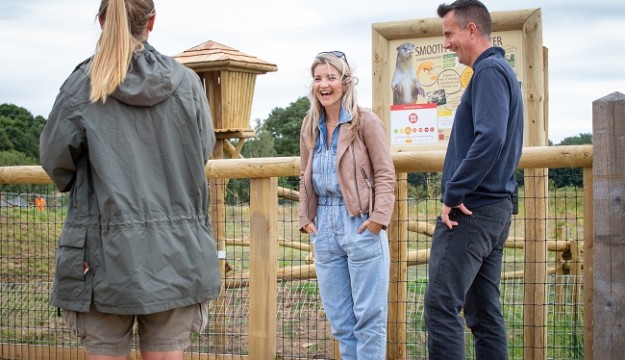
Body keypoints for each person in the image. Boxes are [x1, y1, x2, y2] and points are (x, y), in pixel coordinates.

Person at [39, 0, 221, 359]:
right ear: (151, 21)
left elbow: (55, 160)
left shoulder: (83, 85)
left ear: (103, 20)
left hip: (103, 254)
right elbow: (201, 150)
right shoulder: (186, 83)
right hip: (177, 252)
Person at [423, 1, 524, 359]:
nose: (446, 43)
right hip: (494, 208)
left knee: (440, 307)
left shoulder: (489, 73)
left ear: (471, 30)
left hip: (472, 209)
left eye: (449, 33)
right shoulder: (501, 71)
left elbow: (490, 138)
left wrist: (454, 191)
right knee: (482, 312)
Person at [298, 51, 396, 359]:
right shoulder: (310, 124)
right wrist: (305, 217)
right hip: (323, 226)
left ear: (345, 81)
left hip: (360, 222)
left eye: (330, 77)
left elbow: (384, 173)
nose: (324, 84)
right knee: (341, 322)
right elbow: (303, 173)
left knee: (369, 320)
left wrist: (379, 218)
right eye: (318, 78)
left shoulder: (365, 121)